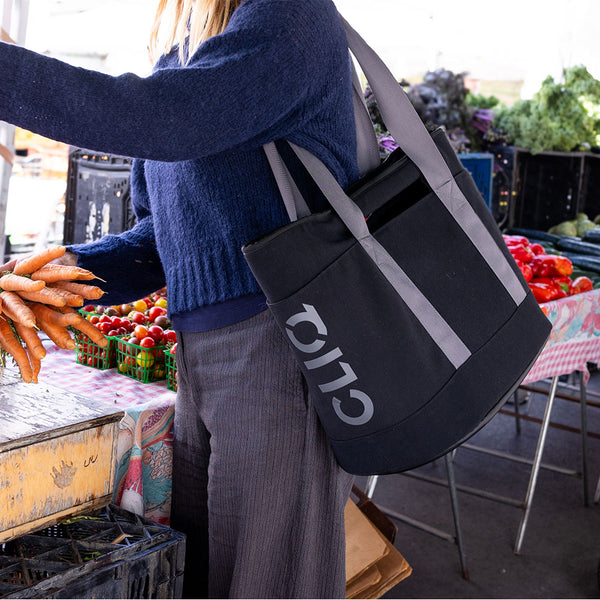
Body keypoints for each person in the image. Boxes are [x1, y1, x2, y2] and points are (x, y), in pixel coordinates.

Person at [0, 0, 360, 596]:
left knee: (268, 580)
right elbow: (160, 238)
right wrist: (63, 275)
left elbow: (161, 121)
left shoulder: (289, 17)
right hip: (198, 359)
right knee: (198, 573)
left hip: (284, 345)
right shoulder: (184, 52)